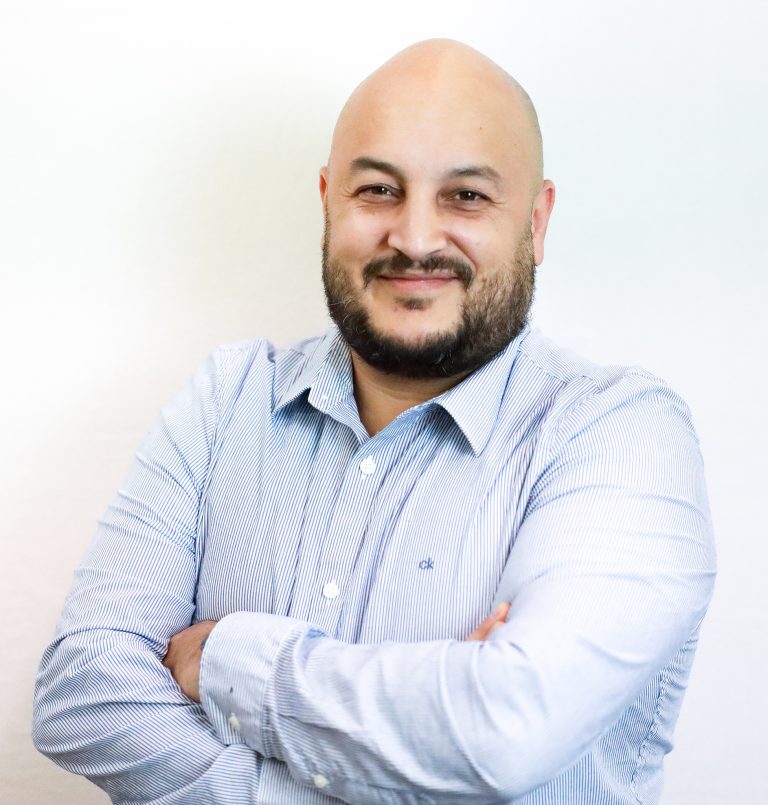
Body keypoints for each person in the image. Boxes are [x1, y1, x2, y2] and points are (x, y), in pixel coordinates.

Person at [33, 39, 716, 804]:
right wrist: (433, 724)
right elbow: (80, 692)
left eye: (466, 196)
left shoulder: (621, 435)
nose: (415, 239)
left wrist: (222, 658)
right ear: (329, 200)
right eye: (379, 190)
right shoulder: (227, 402)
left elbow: (506, 728)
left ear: (536, 221)